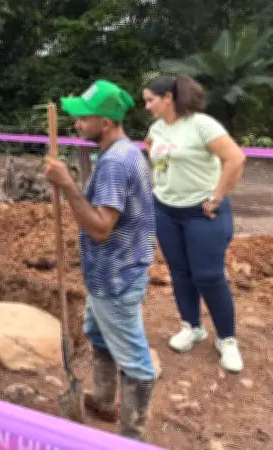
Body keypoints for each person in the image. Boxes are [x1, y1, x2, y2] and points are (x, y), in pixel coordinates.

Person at [44, 80, 156, 441]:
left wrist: (67, 185)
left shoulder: (115, 164)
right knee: (97, 332)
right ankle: (106, 400)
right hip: (115, 269)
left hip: (116, 276)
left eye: (84, 118)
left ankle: (131, 437)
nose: (77, 124)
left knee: (136, 362)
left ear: (105, 123)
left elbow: (100, 228)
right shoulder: (123, 152)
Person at [143, 75, 246, 373]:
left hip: (202, 212)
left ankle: (227, 339)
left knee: (209, 276)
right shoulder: (157, 128)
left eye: (150, 100)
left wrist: (217, 197)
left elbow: (236, 159)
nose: (146, 106)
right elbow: (150, 147)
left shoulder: (201, 124)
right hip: (166, 211)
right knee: (180, 272)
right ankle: (192, 327)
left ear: (168, 98)